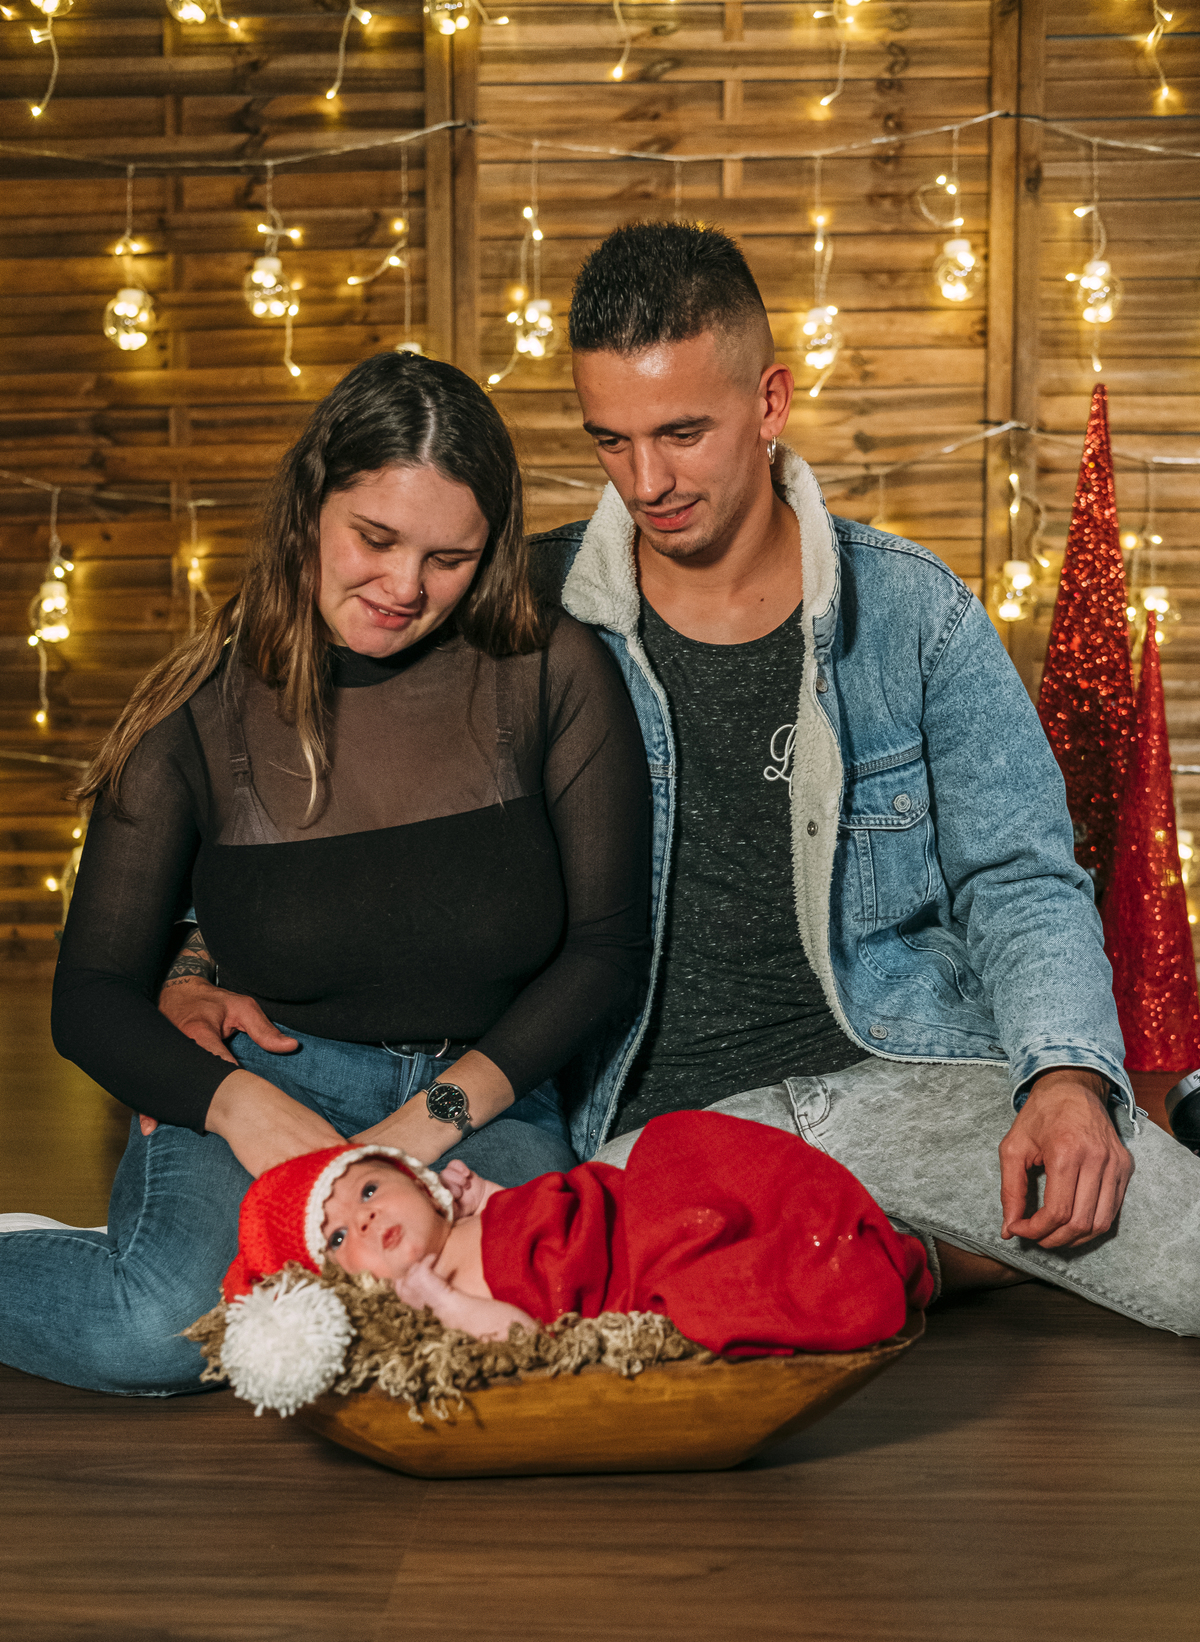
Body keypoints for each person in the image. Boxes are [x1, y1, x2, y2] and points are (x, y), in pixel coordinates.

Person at [159, 228, 1200, 1337]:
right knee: (492, 1334)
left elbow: (1022, 878)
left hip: (912, 1083)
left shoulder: (915, 611)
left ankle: (915, 1244)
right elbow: (322, 760)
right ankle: (905, 1261)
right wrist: (193, 954)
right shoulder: (529, 609)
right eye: (612, 439)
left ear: (770, 400)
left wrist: (1065, 1081)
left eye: (683, 433)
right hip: (652, 1137)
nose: (647, 481)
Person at [0, 352, 651, 1395]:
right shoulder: (203, 710)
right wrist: (234, 1108)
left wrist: (426, 1123)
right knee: (153, 1330)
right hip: (275, 1083)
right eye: (376, 540)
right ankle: (87, 1257)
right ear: (311, 505)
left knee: (521, 1325)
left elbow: (605, 954)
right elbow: (87, 999)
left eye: (450, 557)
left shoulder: (550, 672)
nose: (404, 589)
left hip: (485, 1097)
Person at [219, 1114, 934, 1358]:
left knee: (678, 1147)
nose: (365, 1219)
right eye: (339, 1238)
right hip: (627, 1268)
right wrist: (445, 1303)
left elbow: (550, 1212)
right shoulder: (424, 1300)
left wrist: (491, 1199)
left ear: (422, 1180)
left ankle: (830, 1230)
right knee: (713, 1275)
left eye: (369, 1189)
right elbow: (519, 1334)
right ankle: (847, 1263)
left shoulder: (463, 1218)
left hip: (620, 1214)